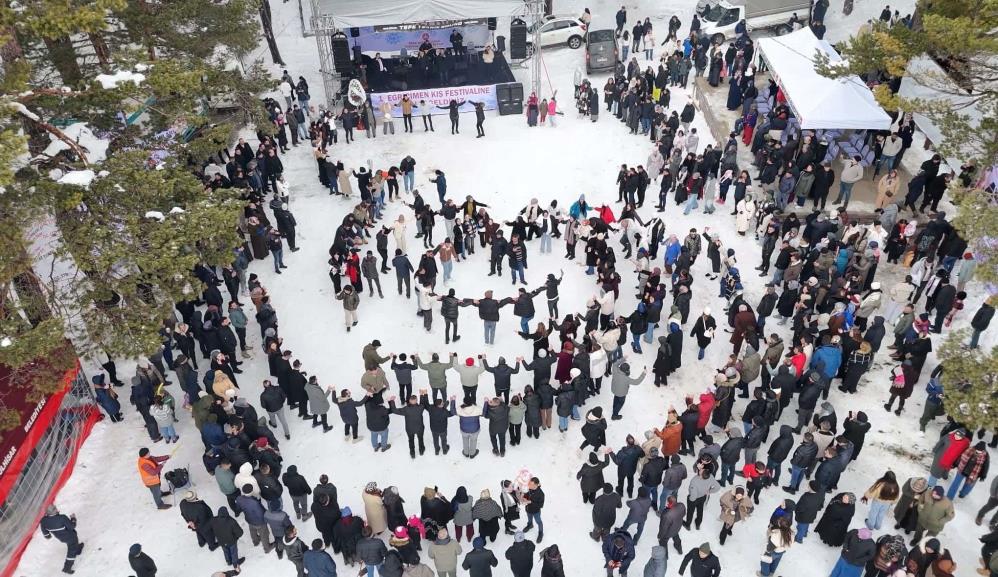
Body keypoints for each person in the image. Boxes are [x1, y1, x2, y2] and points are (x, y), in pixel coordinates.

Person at [40, 505, 84, 574]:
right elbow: (72, 526)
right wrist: (73, 518)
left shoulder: (43, 521)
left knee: (73, 544)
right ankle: (67, 568)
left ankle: (78, 549)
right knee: (71, 550)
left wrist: (48, 536)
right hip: (70, 536)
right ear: (54, 511)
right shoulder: (62, 518)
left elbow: (46, 534)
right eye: (56, 508)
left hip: (61, 538)